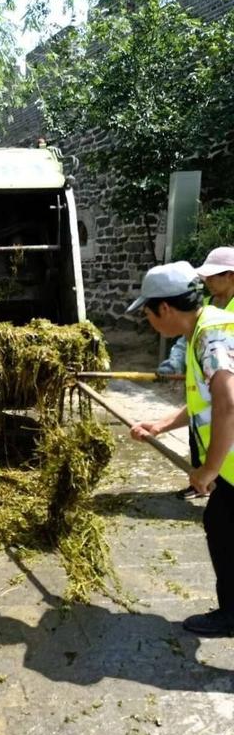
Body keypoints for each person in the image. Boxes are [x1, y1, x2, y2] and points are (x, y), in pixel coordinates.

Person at [126, 257, 234, 637]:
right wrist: (161, 424)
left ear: (166, 308)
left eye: (149, 314)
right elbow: (205, 398)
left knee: (222, 527)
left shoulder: (211, 336)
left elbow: (228, 403)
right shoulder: (201, 332)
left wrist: (208, 470)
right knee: (220, 525)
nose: (150, 322)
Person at [157, 247, 234, 499]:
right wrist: (174, 362)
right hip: (205, 388)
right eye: (207, 277)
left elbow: (228, 403)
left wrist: (211, 468)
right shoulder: (208, 306)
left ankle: (208, 473)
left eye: (214, 276)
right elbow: (185, 341)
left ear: (231, 276)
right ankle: (203, 478)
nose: (208, 281)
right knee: (199, 428)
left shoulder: (221, 322)